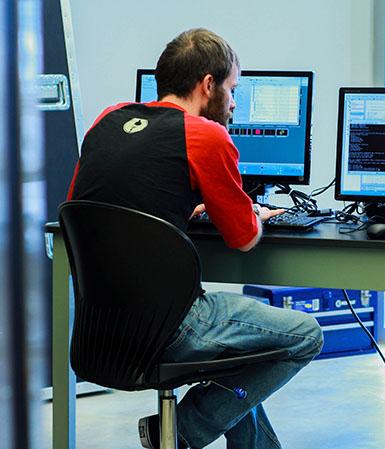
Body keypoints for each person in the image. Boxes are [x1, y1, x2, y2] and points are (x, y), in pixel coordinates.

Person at [67, 28, 323, 449]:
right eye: (232, 89)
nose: (234, 102)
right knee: (305, 335)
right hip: (172, 327)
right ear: (208, 85)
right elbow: (242, 239)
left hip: (101, 332)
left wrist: (177, 210)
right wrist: (254, 213)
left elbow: (86, 207)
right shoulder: (206, 135)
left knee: (236, 354)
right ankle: (185, 430)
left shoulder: (107, 118)